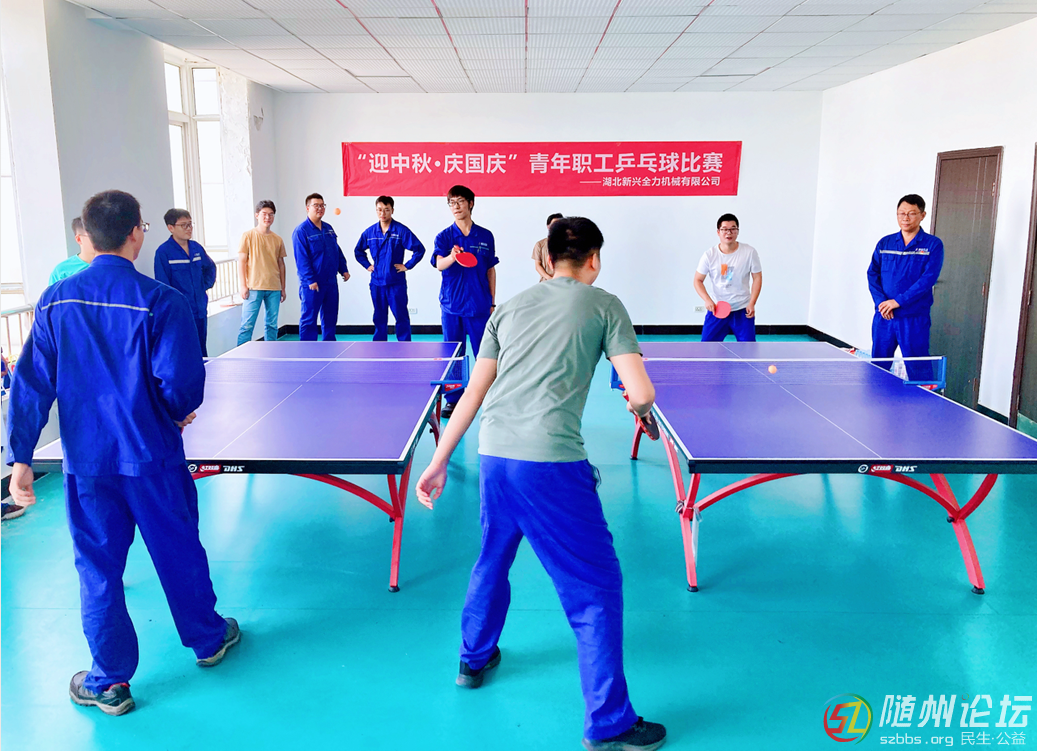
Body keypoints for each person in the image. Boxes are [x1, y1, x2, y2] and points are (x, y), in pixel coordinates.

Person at [415, 217, 667, 751]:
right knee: (595, 588)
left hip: (494, 455)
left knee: (492, 557)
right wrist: (638, 404)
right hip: (551, 464)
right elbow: (642, 392)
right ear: (593, 259)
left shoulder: (507, 309)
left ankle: (473, 658)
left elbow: (473, 392)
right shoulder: (605, 305)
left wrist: (438, 460)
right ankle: (609, 722)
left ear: (549, 258)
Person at [5, 190, 239, 716]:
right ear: (136, 232)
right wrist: (174, 412)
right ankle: (208, 639)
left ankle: (108, 680)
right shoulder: (162, 301)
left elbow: (31, 384)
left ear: (86, 236)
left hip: (88, 463)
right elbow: (183, 384)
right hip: (153, 456)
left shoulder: (55, 300)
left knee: (98, 567)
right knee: (178, 549)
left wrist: (21, 458)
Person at [432, 185, 498, 419]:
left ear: (471, 203)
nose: (456, 206)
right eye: (452, 202)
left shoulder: (486, 236)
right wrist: (452, 256)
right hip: (452, 306)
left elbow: (490, 270)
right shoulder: (444, 236)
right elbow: (439, 264)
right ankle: (454, 399)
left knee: (485, 354)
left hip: (479, 305)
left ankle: (488, 396)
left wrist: (492, 302)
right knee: (454, 354)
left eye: (460, 201)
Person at [867, 194, 944, 382]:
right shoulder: (885, 243)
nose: (905, 218)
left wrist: (897, 302)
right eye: (901, 213)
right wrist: (882, 303)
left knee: (918, 369)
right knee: (878, 367)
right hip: (884, 316)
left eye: (911, 213)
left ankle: (924, 400)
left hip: (913, 318)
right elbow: (872, 274)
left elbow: (927, 280)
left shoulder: (933, 245)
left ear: (922, 215)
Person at [353, 196, 425, 341]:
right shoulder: (370, 233)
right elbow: (358, 251)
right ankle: (379, 345)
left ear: (392, 210)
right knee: (379, 317)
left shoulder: (401, 231)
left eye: (386, 210)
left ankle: (405, 345)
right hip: (377, 283)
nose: (383, 213)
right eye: (379, 210)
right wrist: (367, 265)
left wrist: (407, 266)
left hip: (396, 282)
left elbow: (419, 249)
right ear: (376, 210)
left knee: (401, 316)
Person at [154, 209, 217, 357]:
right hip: (180, 313)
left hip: (200, 310)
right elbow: (163, 285)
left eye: (190, 224)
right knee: (184, 353)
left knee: (201, 351)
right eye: (184, 225)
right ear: (170, 227)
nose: (189, 229)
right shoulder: (164, 252)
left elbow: (210, 268)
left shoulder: (196, 248)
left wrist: (203, 286)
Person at [693, 213, 763, 342]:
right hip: (717, 309)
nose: (729, 233)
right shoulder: (709, 255)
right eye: (724, 229)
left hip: (743, 310)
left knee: (748, 349)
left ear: (737, 231)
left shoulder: (749, 252)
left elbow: (757, 277)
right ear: (718, 232)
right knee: (706, 348)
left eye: (733, 229)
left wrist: (752, 303)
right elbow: (698, 280)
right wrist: (707, 300)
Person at [292, 193, 350, 341]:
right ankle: (307, 349)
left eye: (322, 205)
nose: (320, 208)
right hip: (312, 283)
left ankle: (329, 347)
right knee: (309, 319)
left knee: (330, 317)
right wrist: (310, 280)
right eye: (316, 205)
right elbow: (302, 260)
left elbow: (336, 250)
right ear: (307, 208)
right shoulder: (301, 231)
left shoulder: (328, 228)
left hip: (330, 281)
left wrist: (343, 269)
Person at [237, 200, 288, 346]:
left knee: (272, 325)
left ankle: (270, 354)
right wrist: (243, 285)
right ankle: (240, 355)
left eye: (271, 214)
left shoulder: (277, 239)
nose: (268, 217)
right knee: (247, 326)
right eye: (264, 214)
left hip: (274, 288)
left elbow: (281, 264)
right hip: (253, 288)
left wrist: (283, 287)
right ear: (257, 215)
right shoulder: (247, 236)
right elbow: (242, 262)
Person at [48, 217, 96, 286]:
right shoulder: (62, 271)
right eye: (93, 236)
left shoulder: (110, 264)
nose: (99, 240)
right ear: (79, 239)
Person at [532, 212, 564, 282]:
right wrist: (549, 278)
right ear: (548, 226)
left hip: (564, 282)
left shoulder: (569, 244)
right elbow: (537, 265)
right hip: (546, 282)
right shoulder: (540, 244)